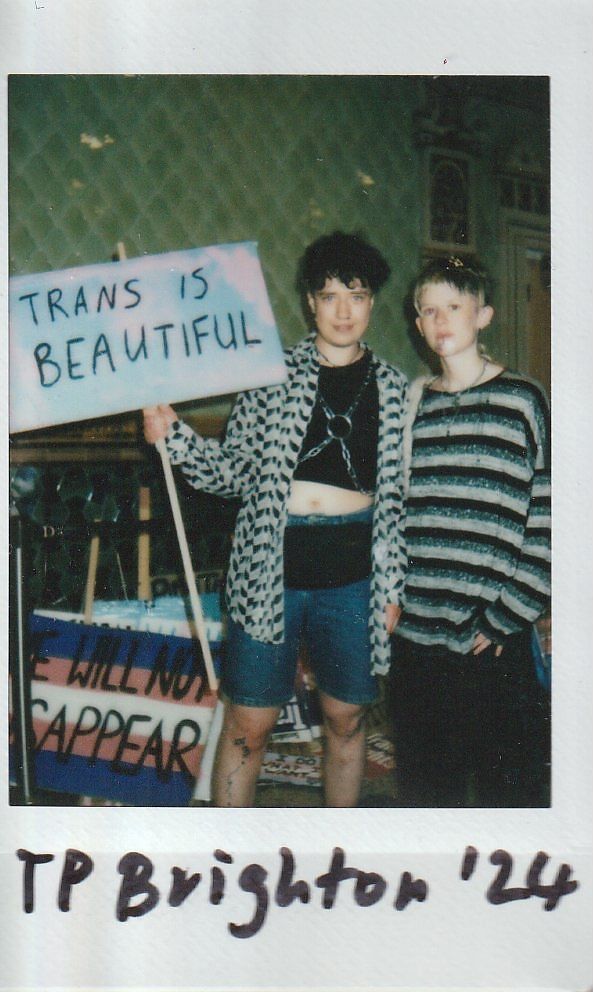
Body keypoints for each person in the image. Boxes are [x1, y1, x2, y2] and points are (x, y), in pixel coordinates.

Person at [143, 231, 407, 807]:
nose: (343, 311)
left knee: (347, 719)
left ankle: (339, 854)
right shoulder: (269, 376)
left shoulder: (393, 389)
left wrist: (392, 587)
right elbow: (232, 473)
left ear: (372, 304)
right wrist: (176, 440)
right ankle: (228, 861)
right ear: (309, 302)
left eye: (356, 296)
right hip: (269, 571)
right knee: (249, 725)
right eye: (330, 296)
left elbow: (397, 504)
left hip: (353, 577)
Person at [390, 255, 551, 807]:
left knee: (510, 794)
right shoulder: (412, 408)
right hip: (416, 640)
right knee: (430, 794)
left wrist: (511, 613)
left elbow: (550, 518)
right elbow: (393, 518)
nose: (441, 321)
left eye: (453, 307)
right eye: (428, 310)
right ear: (417, 324)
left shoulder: (523, 401)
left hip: (492, 637)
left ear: (483, 315)